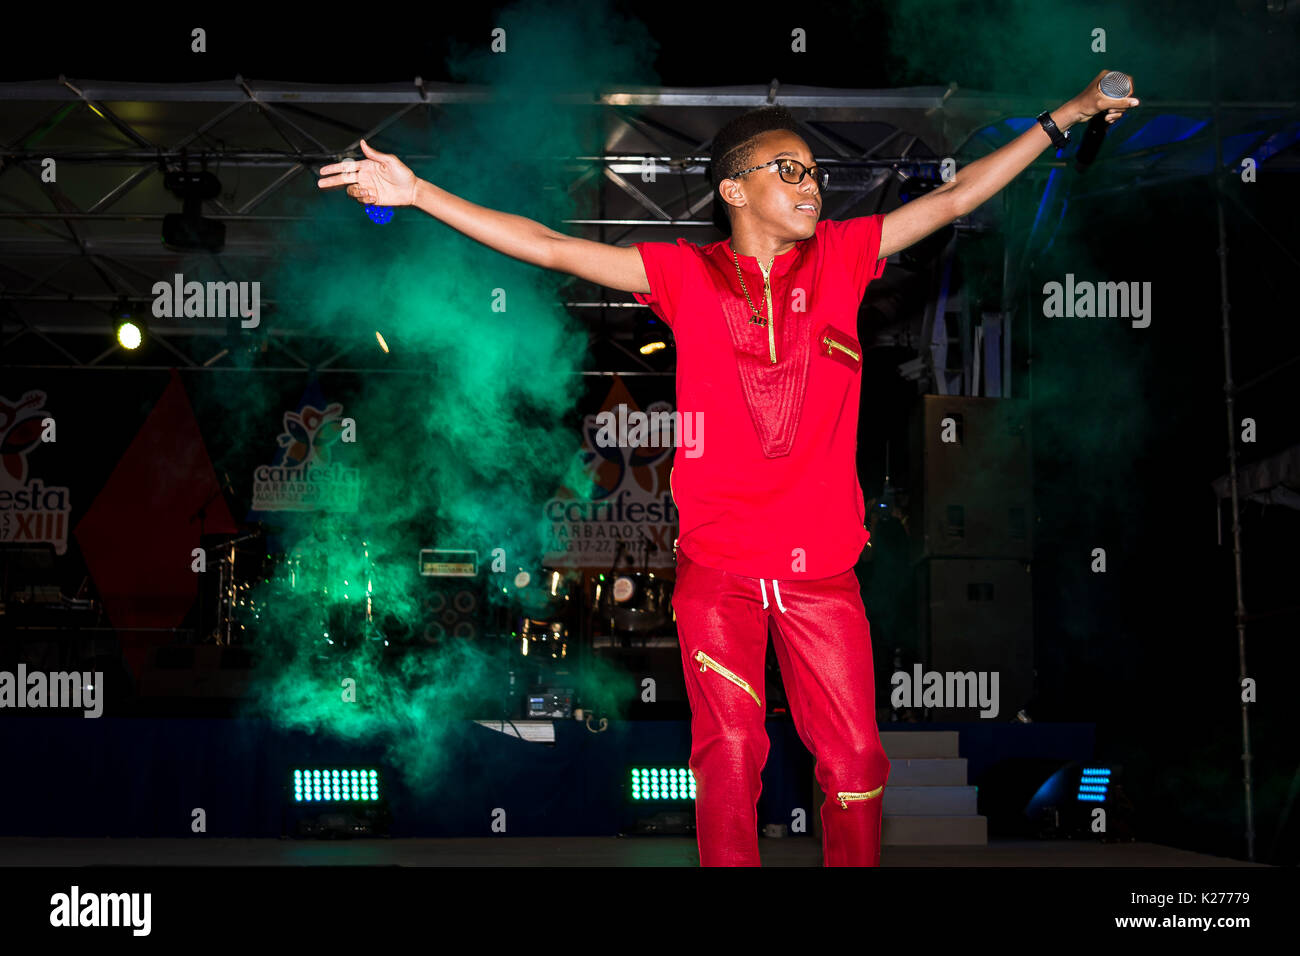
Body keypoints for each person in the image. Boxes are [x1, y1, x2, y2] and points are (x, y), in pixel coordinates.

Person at [317, 71, 1138, 866]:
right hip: (720, 574)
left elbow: (956, 199)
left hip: (823, 575)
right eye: (788, 170)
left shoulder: (845, 258)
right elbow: (551, 246)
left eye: (814, 172)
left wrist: (1065, 114)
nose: (811, 184)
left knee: (855, 764)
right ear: (735, 192)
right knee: (733, 748)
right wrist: (418, 194)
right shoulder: (685, 276)